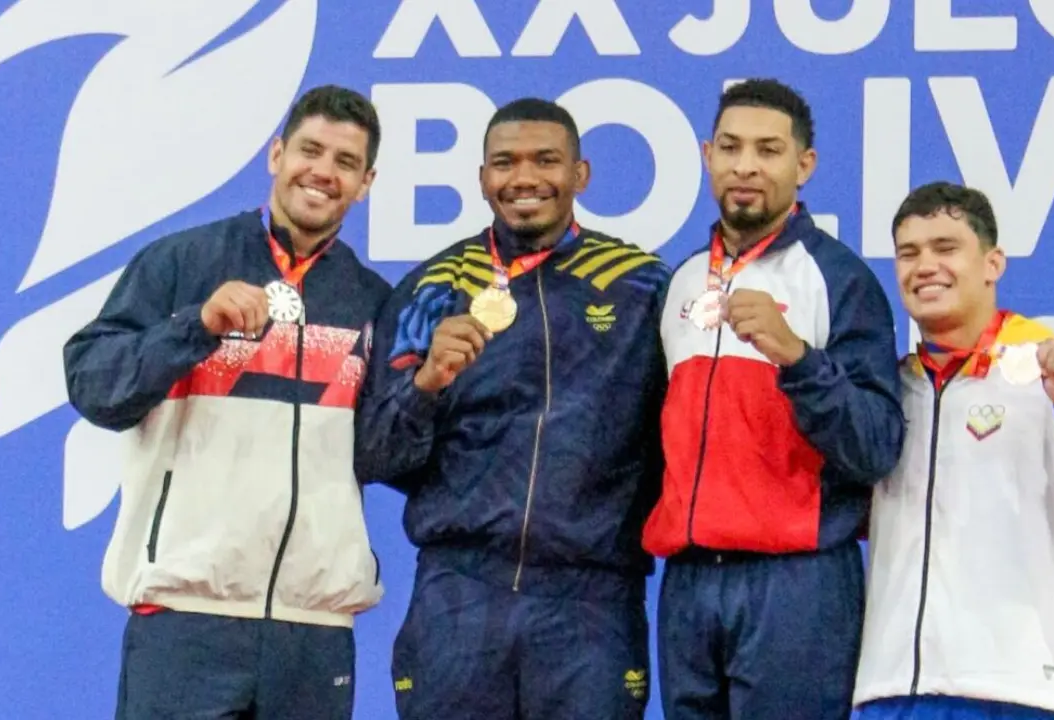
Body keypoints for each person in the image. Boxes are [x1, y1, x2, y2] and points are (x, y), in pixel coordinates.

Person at [62, 85, 388, 719]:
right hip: (186, 620)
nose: (322, 172)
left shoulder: (372, 300)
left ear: (366, 182)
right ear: (275, 155)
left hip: (313, 630)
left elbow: (383, 453)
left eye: (345, 162)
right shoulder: (183, 263)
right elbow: (96, 387)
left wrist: (429, 386)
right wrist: (195, 325)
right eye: (310, 150)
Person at [355, 97, 669, 719]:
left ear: (580, 175)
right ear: (481, 179)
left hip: (592, 601)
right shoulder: (434, 288)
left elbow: (687, 434)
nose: (524, 178)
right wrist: (426, 385)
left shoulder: (642, 288)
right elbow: (373, 452)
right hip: (459, 594)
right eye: (504, 162)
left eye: (546, 160)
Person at [853, 181, 1054, 720]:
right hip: (891, 694)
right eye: (908, 253)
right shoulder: (887, 392)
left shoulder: (1053, 368)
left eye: (946, 248)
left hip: (1020, 697)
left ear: (993, 263)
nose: (925, 266)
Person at [642, 78, 906, 719]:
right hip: (690, 581)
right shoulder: (678, 281)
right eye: (730, 148)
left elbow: (876, 445)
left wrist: (798, 358)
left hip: (796, 583)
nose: (746, 166)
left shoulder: (838, 280)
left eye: (769, 150)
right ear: (707, 155)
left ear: (803, 165)